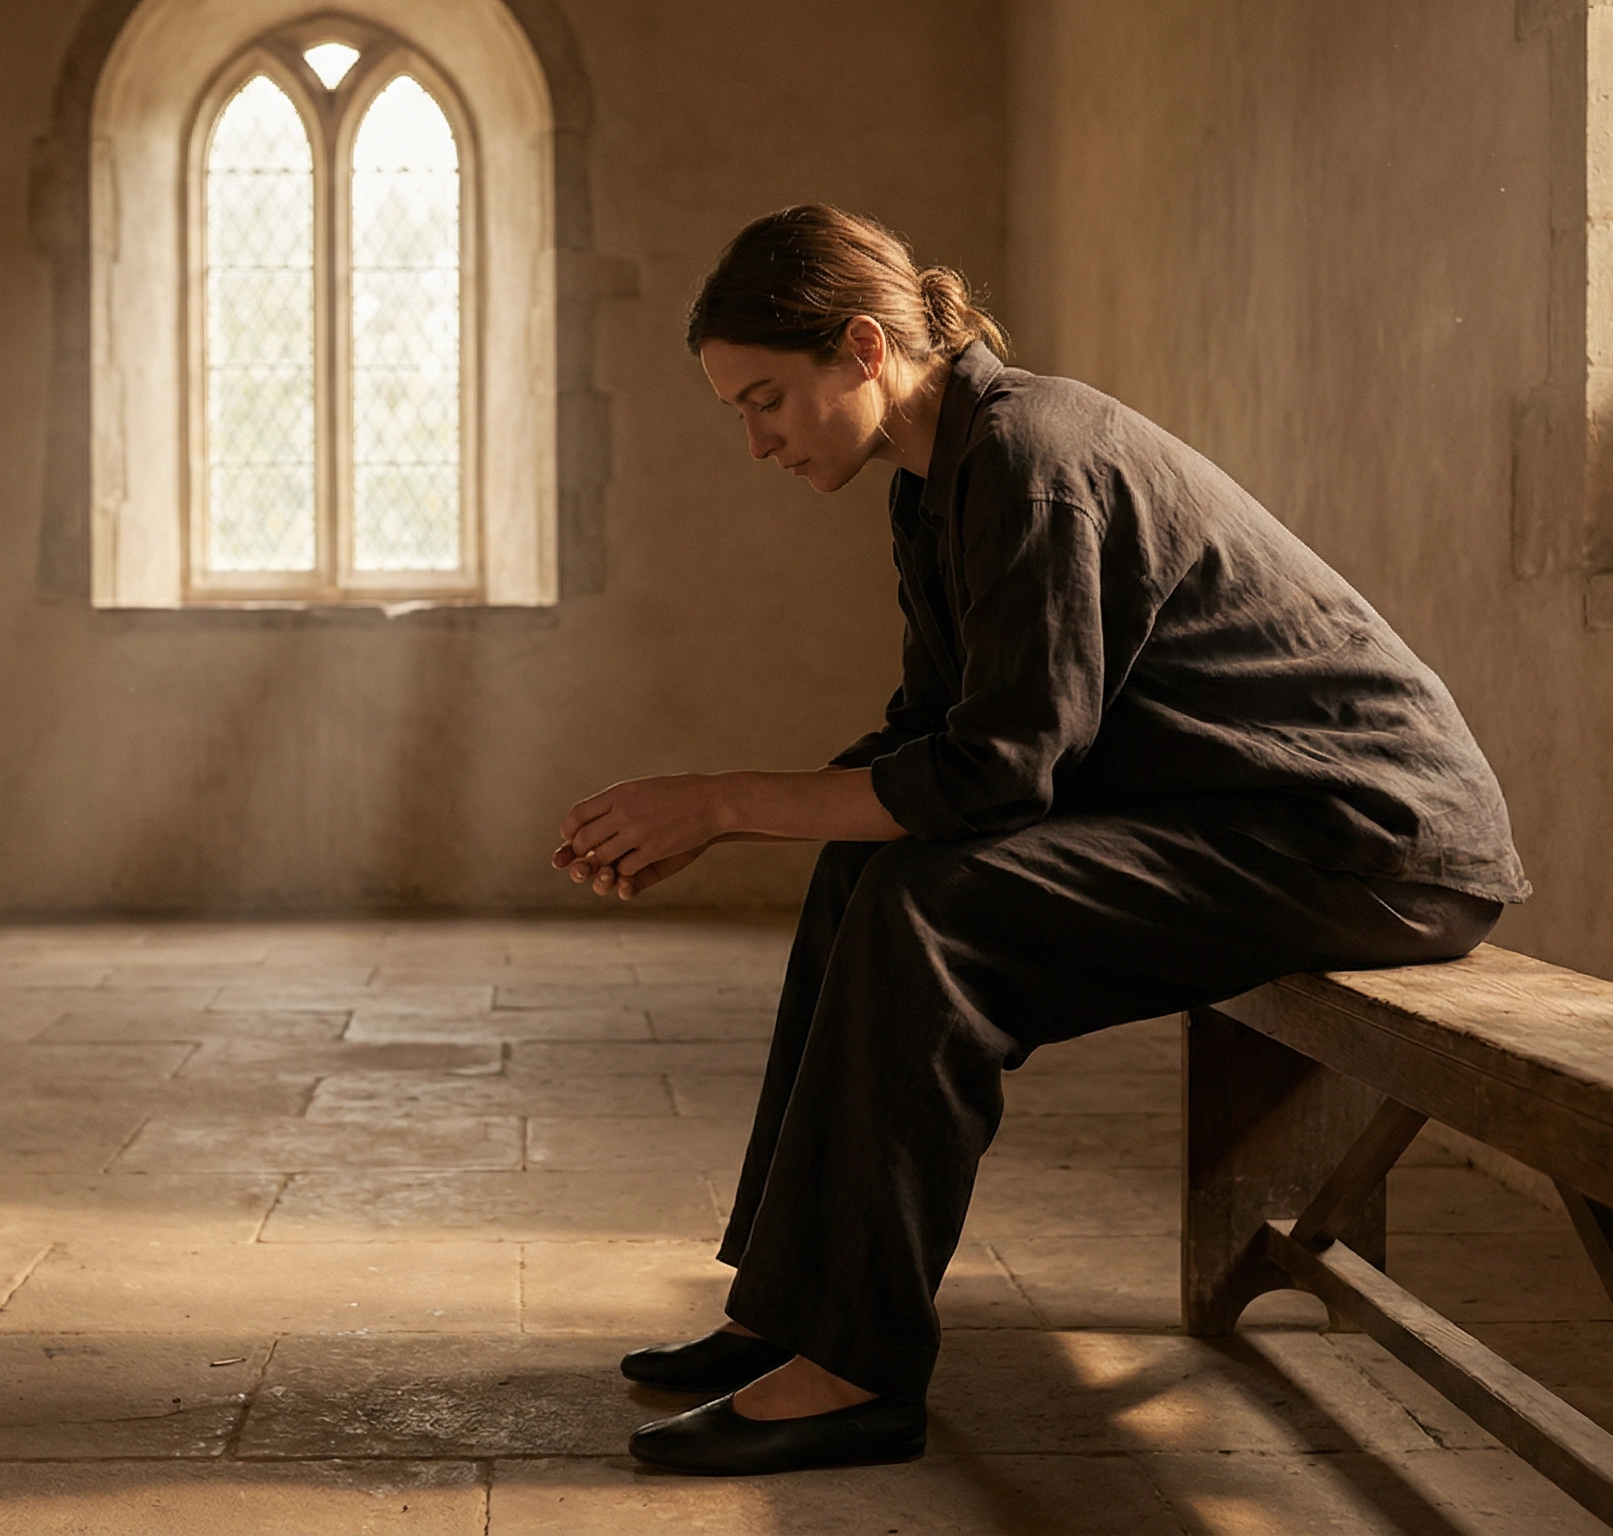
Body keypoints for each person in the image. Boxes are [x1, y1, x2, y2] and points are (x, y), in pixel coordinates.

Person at [550, 205, 1528, 1477]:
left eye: (766, 400)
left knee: (929, 910)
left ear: (862, 348)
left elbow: (1000, 777)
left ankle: (854, 1371)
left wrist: (724, 800)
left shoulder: (1029, 457)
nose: (756, 442)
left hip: (1368, 845)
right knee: (866, 870)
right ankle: (791, 1311)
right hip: (1241, 817)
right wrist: (711, 821)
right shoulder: (933, 482)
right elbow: (932, 737)